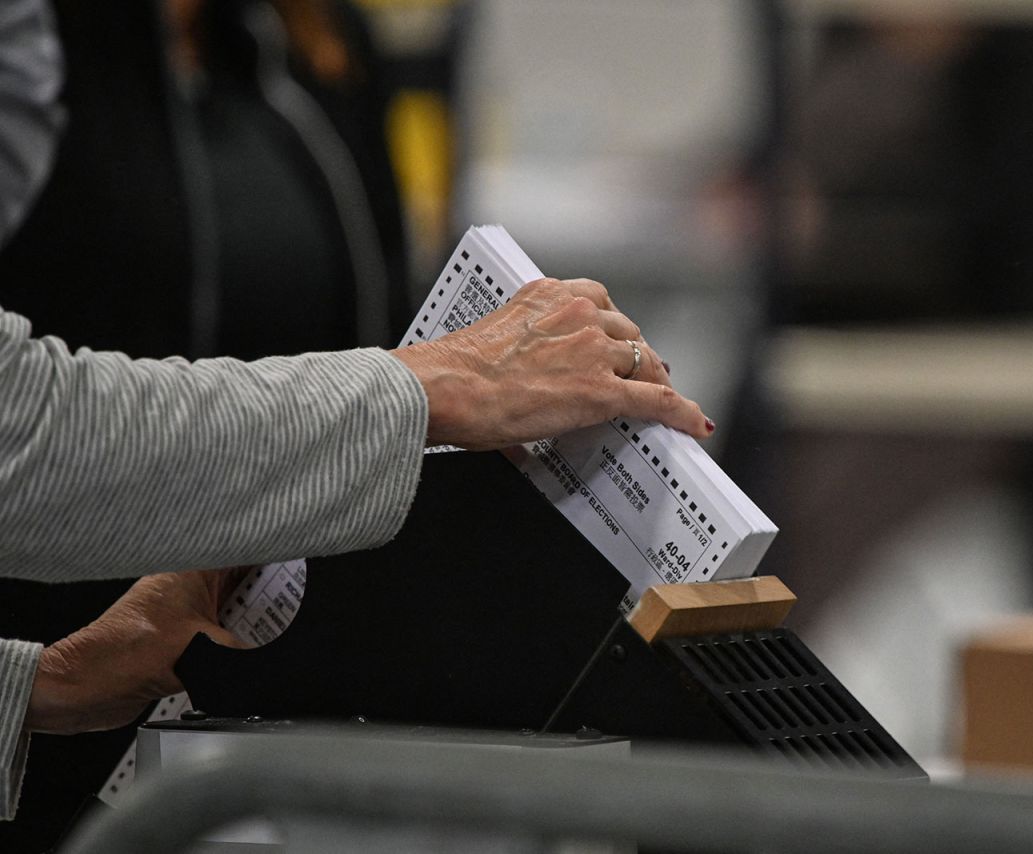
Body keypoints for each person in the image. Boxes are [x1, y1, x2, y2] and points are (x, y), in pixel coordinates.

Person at [0, 0, 714, 822]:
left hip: (205, 671)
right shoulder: (55, 47)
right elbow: (23, 430)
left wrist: (31, 687)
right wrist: (436, 389)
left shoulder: (308, 39)